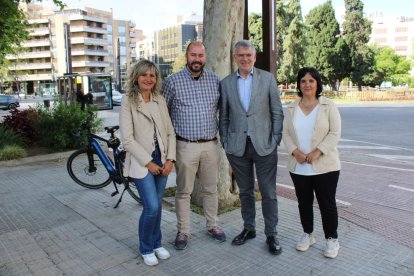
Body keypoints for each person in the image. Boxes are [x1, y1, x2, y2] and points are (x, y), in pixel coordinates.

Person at [219, 40, 284, 255]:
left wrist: (275, 139)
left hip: (264, 146)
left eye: (248, 55)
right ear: (235, 57)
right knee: (245, 192)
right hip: (238, 148)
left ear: (254, 57)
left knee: (268, 192)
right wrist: (226, 142)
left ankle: (271, 234)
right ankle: (249, 229)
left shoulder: (267, 79)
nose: (245, 59)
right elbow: (224, 116)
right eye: (240, 55)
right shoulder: (227, 83)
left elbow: (277, 112)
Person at [162, 41, 226, 250]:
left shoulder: (215, 81)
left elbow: (221, 112)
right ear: (186, 56)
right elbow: (165, 116)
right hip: (185, 146)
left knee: (210, 189)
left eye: (200, 55)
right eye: (193, 55)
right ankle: (183, 231)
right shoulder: (172, 82)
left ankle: (213, 225)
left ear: (205, 57)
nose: (197, 59)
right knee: (184, 191)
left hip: (210, 145)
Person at [119, 60, 176, 266]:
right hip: (141, 162)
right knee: (151, 206)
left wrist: (170, 159)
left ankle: (157, 242)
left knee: (158, 206)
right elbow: (127, 140)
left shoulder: (159, 99)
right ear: (136, 77)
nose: (148, 79)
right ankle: (145, 247)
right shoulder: (128, 101)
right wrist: (149, 163)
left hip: (162, 159)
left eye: (152, 75)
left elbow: (170, 132)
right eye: (144, 75)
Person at [282, 67, 341, 259]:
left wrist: (317, 152)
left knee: (327, 204)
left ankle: (332, 239)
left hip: (325, 166)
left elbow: (334, 133)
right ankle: (308, 234)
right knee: (304, 203)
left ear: (317, 83)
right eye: (303, 81)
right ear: (298, 85)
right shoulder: (291, 108)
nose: (307, 84)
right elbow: (286, 134)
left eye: (311, 81)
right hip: (299, 167)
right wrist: (295, 151)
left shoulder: (328, 105)